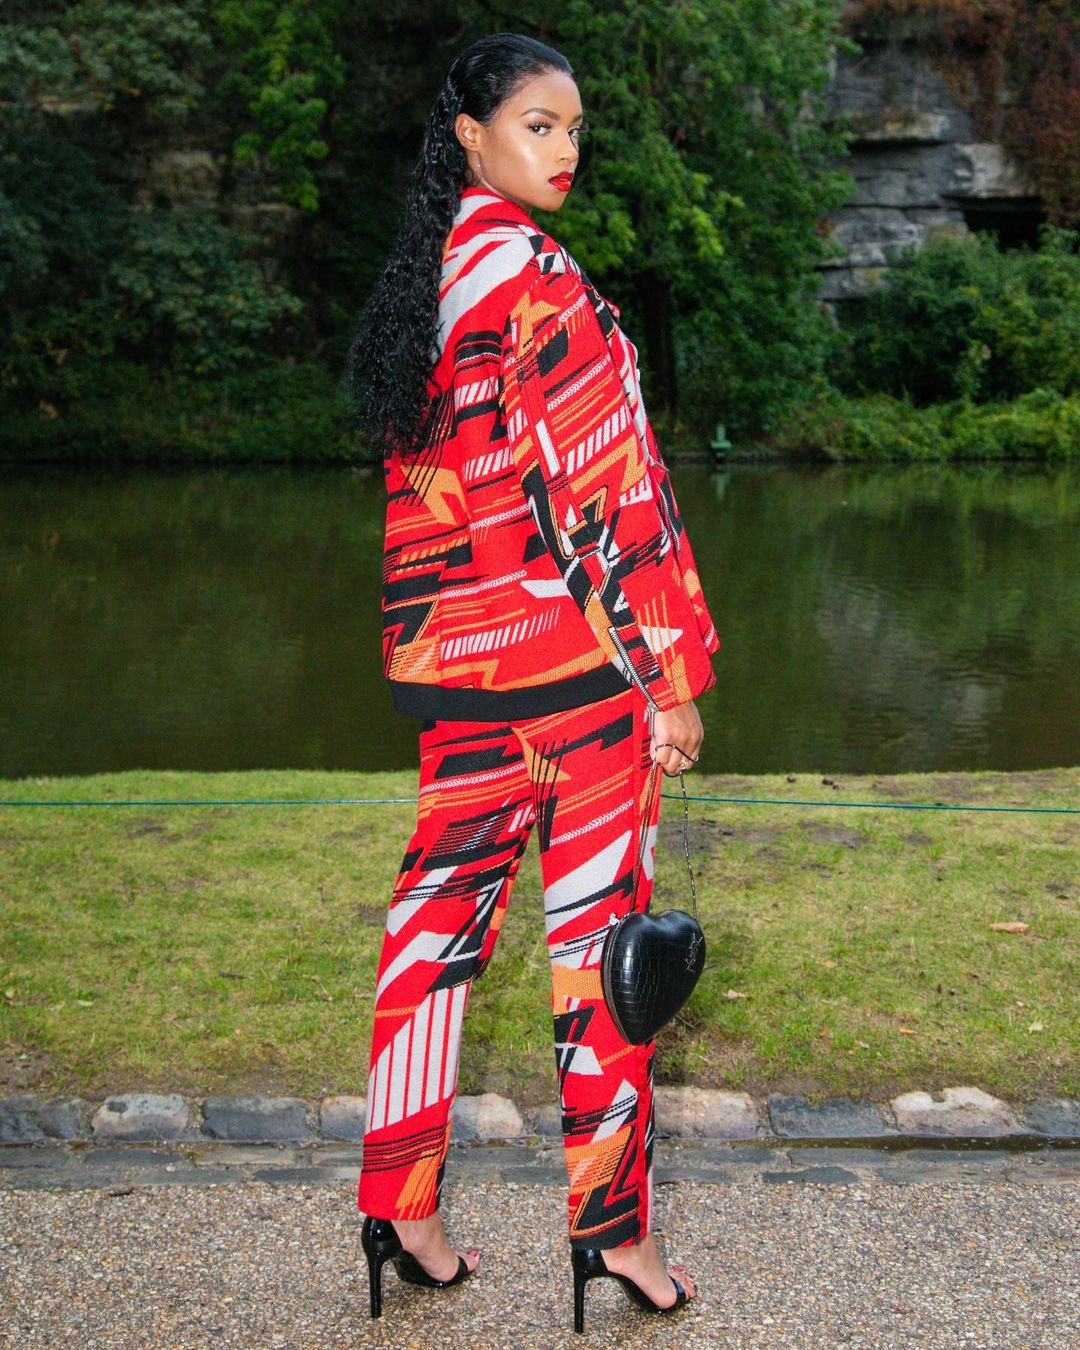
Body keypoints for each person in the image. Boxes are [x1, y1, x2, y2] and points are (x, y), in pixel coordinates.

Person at [344, 31, 720, 1335]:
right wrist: (668, 675)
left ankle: (400, 1210)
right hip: (574, 679)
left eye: (573, 130)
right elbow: (602, 498)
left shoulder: (432, 280)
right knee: (602, 960)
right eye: (538, 125)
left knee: (430, 945)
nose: (564, 151)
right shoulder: (543, 282)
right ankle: (616, 1234)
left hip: (462, 682)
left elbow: (434, 510)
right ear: (472, 135)